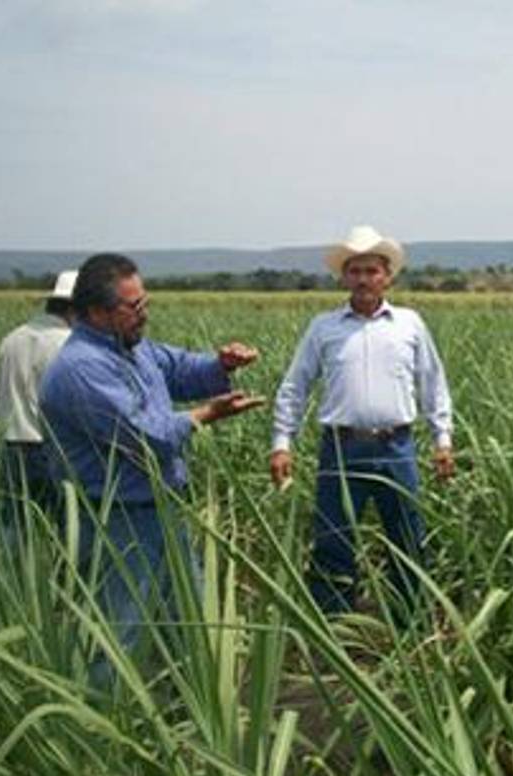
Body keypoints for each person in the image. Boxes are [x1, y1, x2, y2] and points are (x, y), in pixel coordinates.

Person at [39, 253, 264, 683]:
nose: (145, 314)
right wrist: (205, 416)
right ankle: (106, 729)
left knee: (192, 622)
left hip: (162, 511)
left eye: (145, 302)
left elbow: (179, 369)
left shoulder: (134, 348)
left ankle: (195, 717)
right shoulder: (80, 369)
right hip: (117, 521)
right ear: (98, 312)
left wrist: (222, 366)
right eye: (135, 307)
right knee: (119, 634)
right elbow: (149, 436)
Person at [270, 225, 454, 619]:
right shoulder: (324, 327)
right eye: (355, 271)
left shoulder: (409, 324)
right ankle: (334, 628)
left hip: (396, 448)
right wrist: (282, 442)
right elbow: (295, 385)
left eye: (372, 271)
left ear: (387, 276)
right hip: (341, 448)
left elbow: (432, 383)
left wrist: (442, 439)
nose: (364, 279)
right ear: (344, 276)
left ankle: (409, 625)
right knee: (333, 539)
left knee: (407, 538)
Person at [0, 271, 77, 541]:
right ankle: (63, 583)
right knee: (68, 535)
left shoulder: (12, 339)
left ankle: (10, 581)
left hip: (12, 449)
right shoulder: (69, 344)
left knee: (14, 532)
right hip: (55, 451)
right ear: (75, 308)